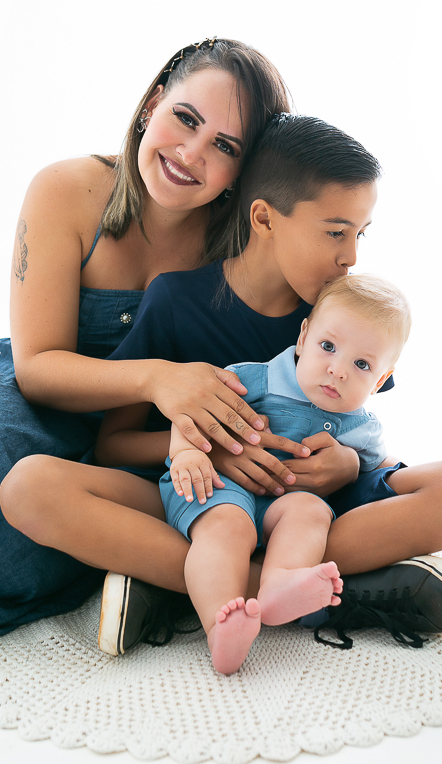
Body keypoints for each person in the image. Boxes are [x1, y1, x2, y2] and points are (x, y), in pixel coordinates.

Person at [0, 114, 442, 658]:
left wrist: (348, 465)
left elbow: (361, 427)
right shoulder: (176, 300)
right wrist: (213, 451)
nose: (352, 256)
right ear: (264, 218)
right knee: (29, 488)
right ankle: (329, 593)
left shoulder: (338, 317)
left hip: (308, 511)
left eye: (360, 234)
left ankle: (188, 585)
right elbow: (114, 446)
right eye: (336, 232)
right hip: (202, 497)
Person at [0, 38, 305, 660]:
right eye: (185, 118)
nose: (191, 153)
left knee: (226, 496)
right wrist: (156, 377)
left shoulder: (242, 241)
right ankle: (192, 581)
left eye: (225, 147)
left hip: (160, 436)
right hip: (45, 398)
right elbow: (37, 367)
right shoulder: (69, 189)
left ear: (245, 171)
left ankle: (177, 574)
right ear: (153, 103)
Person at [156, 272, 422, 676]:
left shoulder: (361, 427)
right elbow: (190, 412)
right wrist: (185, 452)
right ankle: (219, 626)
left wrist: (369, 468)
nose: (337, 370)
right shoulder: (252, 379)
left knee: (311, 512)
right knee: (228, 527)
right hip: (219, 487)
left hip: (281, 506)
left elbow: (381, 468)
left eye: (362, 364)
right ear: (303, 338)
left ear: (381, 380)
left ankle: (281, 583)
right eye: (328, 347)